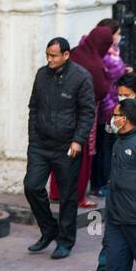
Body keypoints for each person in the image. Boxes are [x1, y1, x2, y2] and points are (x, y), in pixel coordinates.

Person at [24, 36, 95, 259]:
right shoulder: (41, 75)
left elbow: (87, 112)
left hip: (67, 146)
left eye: (53, 55)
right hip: (40, 144)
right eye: (47, 55)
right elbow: (33, 107)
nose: (49, 59)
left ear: (66, 55)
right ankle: (48, 230)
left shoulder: (81, 77)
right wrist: (33, 138)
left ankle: (65, 241)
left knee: (68, 196)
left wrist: (78, 140)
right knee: (32, 186)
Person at [86, 98, 136, 271]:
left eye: (116, 114)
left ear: (127, 119)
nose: (112, 118)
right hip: (117, 220)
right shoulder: (120, 140)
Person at [49, 24, 114, 208]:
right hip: (82, 116)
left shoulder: (76, 53)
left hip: (60, 113)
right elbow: (101, 90)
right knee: (82, 155)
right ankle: (77, 197)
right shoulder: (94, 64)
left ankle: (55, 192)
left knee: (60, 152)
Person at [92, 19, 132, 195]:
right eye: (117, 33)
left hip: (110, 105)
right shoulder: (106, 55)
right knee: (104, 147)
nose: (119, 37)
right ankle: (101, 183)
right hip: (107, 108)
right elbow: (113, 75)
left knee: (105, 145)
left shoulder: (110, 52)